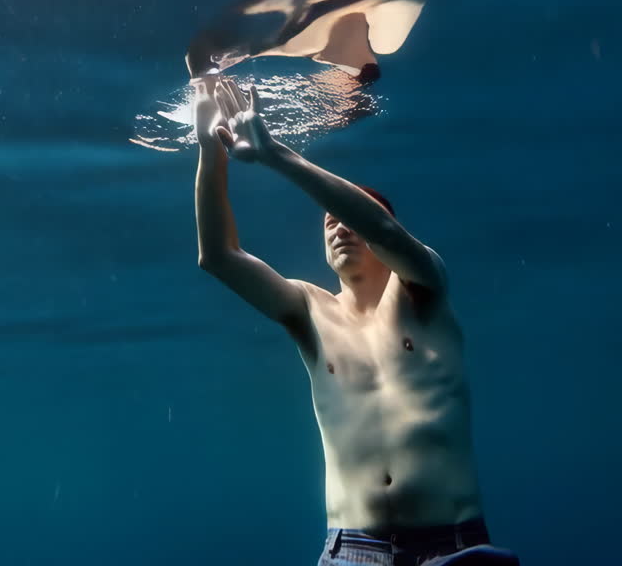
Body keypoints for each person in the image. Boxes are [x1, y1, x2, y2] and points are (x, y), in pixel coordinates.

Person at [193, 72, 520, 566]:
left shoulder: (423, 289)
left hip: (452, 546)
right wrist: (209, 148)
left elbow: (384, 229)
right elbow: (218, 257)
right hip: (353, 552)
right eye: (329, 223)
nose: (339, 227)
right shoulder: (309, 310)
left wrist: (277, 154)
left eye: (349, 219)